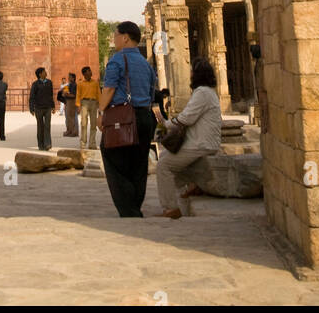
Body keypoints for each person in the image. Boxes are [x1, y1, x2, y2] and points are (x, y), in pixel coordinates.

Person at [97, 21, 157, 219]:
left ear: (125, 38)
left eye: (115, 36)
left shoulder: (117, 60)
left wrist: (101, 112)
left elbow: (109, 89)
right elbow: (150, 93)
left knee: (114, 159)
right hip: (144, 117)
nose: (114, 40)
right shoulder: (146, 65)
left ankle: (128, 209)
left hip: (123, 119)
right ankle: (135, 205)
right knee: (138, 165)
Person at [156, 57, 222, 218]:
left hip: (201, 144)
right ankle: (195, 184)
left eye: (192, 71)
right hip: (205, 142)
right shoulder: (207, 93)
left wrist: (166, 123)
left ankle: (170, 208)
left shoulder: (202, 93)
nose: (190, 74)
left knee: (163, 165)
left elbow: (187, 118)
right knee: (169, 160)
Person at [29, 67, 54, 151]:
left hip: (47, 108)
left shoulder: (49, 82)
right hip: (38, 108)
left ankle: (48, 144)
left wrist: (53, 106)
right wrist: (31, 108)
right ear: (40, 74)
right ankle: (41, 145)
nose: (46, 73)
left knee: (47, 126)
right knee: (40, 127)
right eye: (44, 72)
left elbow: (51, 95)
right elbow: (32, 96)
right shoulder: (35, 84)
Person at [76, 65, 100, 150]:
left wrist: (100, 105)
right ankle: (83, 143)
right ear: (85, 73)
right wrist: (78, 105)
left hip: (94, 103)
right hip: (84, 103)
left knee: (93, 124)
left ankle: (92, 144)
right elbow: (78, 94)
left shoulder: (95, 83)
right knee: (83, 123)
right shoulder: (80, 83)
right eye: (89, 71)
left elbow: (98, 94)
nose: (91, 72)